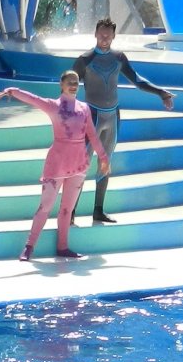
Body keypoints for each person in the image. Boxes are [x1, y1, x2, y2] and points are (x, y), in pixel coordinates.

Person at [0, 70, 109, 262]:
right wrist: (12, 90)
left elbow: (92, 134)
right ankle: (29, 247)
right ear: (61, 85)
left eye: (76, 82)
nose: (73, 85)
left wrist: (104, 158)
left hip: (79, 164)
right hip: (57, 164)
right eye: (70, 82)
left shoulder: (84, 108)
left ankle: (63, 246)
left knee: (67, 209)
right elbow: (34, 99)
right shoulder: (53, 106)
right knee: (45, 207)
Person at [72, 17, 175, 223]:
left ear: (113, 36)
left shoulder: (119, 58)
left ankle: (98, 210)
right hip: (91, 116)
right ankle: (71, 211)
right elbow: (69, 87)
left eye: (108, 34)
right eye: (101, 33)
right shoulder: (85, 59)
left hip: (112, 116)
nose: (104, 37)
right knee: (81, 165)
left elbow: (137, 80)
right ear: (95, 34)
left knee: (105, 162)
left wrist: (161, 92)